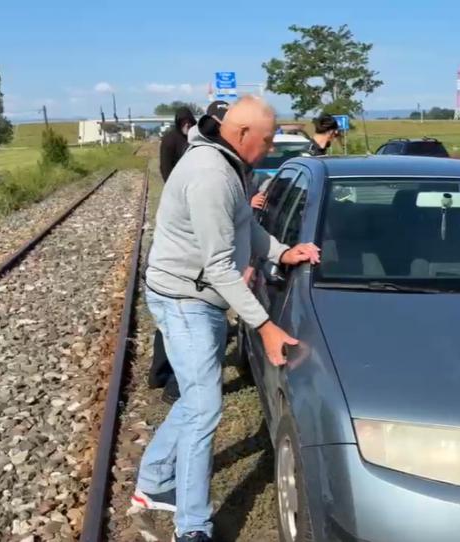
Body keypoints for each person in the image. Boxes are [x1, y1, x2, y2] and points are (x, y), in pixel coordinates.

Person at [132, 96, 320, 542]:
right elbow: (219, 266)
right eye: (269, 140)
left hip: (198, 294)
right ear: (241, 134)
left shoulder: (228, 162)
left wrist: (280, 251)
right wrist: (266, 325)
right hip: (185, 298)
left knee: (196, 398)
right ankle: (191, 527)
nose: (272, 148)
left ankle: (154, 482)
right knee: (205, 407)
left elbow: (244, 226)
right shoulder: (212, 175)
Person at [150, 101, 231, 405]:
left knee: (174, 326)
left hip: (178, 271)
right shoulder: (175, 142)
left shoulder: (198, 147)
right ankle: (171, 380)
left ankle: (168, 377)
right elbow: (165, 168)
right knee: (181, 325)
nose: (186, 126)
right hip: (183, 273)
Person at [159, 107, 197, 182]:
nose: (187, 125)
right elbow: (165, 167)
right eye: (183, 122)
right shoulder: (169, 140)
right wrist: (170, 185)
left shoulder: (197, 137)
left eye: (189, 122)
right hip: (176, 180)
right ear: (178, 123)